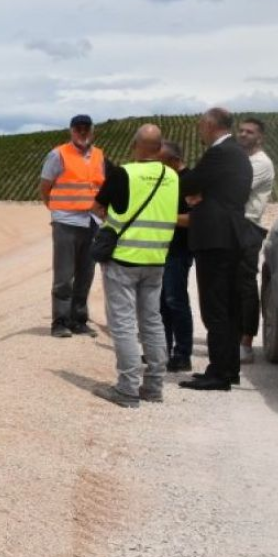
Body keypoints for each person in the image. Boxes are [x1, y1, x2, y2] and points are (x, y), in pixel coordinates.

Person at [91, 124, 179, 408]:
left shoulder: (124, 173)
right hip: (156, 259)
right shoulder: (172, 176)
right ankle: (154, 386)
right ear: (159, 147)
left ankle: (127, 389)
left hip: (124, 258)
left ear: (136, 145)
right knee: (152, 322)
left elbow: (98, 206)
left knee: (124, 324)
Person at [179, 107, 253, 391]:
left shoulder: (221, 153)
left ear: (210, 125)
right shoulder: (235, 153)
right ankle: (226, 368)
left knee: (216, 307)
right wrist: (201, 193)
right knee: (229, 306)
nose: (200, 131)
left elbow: (190, 182)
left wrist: (191, 184)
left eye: (201, 126)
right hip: (228, 235)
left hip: (216, 237)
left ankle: (219, 373)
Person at [39, 114, 106, 338]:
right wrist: (57, 210)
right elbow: (45, 186)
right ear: (71, 131)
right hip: (66, 221)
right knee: (64, 275)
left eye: (86, 128)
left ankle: (79, 320)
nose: (82, 132)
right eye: (78, 129)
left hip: (92, 222)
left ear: (92, 130)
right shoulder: (58, 154)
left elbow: (101, 186)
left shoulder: (99, 156)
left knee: (86, 275)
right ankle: (59, 322)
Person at [235, 117, 275, 364]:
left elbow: (237, 189)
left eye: (249, 132)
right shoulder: (243, 160)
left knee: (246, 285)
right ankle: (234, 336)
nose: (243, 135)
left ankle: (246, 343)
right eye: (240, 130)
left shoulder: (261, 163)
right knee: (231, 284)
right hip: (235, 225)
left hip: (248, 227)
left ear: (260, 137)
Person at [158, 140, 194, 373]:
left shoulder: (189, 182)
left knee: (175, 301)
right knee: (161, 303)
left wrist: (163, 215)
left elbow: (194, 219)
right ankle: (163, 350)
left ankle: (182, 354)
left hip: (179, 250)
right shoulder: (168, 180)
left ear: (173, 160)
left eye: (161, 162)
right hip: (162, 249)